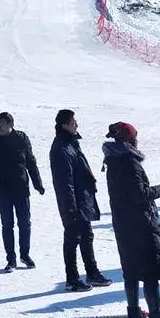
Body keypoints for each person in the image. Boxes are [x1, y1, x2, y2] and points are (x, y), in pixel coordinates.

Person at [103, 122, 160, 318]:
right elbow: (139, 194)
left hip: (122, 222)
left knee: (131, 271)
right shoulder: (129, 161)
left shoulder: (112, 159)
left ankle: (134, 316)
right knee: (150, 272)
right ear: (130, 140)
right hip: (139, 224)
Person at [50, 109, 111, 291]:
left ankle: (92, 273)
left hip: (82, 199)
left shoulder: (71, 142)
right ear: (64, 125)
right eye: (73, 122)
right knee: (72, 238)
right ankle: (72, 279)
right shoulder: (60, 148)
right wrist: (71, 207)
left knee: (87, 236)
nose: (76, 124)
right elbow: (64, 182)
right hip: (72, 203)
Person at [0, 111, 45, 271]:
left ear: (10, 124)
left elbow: (31, 162)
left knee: (25, 223)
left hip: (21, 188)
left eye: (1, 124)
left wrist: (37, 184)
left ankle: (25, 254)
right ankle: (11, 259)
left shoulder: (21, 139)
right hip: (2, 190)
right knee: (7, 224)